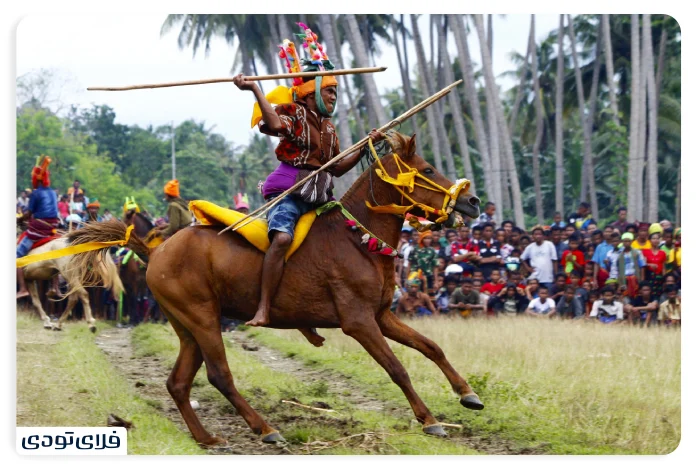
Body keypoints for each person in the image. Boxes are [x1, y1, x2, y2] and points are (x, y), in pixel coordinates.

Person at [234, 26, 385, 327]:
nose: (334, 96)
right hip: (289, 194)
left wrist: (367, 146)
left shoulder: (329, 129)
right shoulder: (296, 113)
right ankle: (263, 307)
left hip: (320, 200)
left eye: (335, 92)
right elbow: (274, 123)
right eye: (329, 90)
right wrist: (254, 89)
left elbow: (337, 168)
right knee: (281, 239)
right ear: (313, 91)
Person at [16, 156, 60, 299]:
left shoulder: (36, 193)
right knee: (56, 254)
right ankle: (55, 286)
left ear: (37, 179)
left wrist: (20, 219)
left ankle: (23, 289)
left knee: (16, 256)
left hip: (39, 228)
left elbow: (29, 214)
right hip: (53, 226)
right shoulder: (53, 192)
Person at [642, 231, 667, 298]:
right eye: (653, 238)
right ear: (650, 240)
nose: (655, 240)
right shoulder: (645, 251)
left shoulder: (662, 253)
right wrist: (649, 265)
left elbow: (663, 267)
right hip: (649, 277)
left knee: (659, 295)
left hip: (659, 278)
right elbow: (643, 265)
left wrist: (664, 280)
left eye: (657, 238)